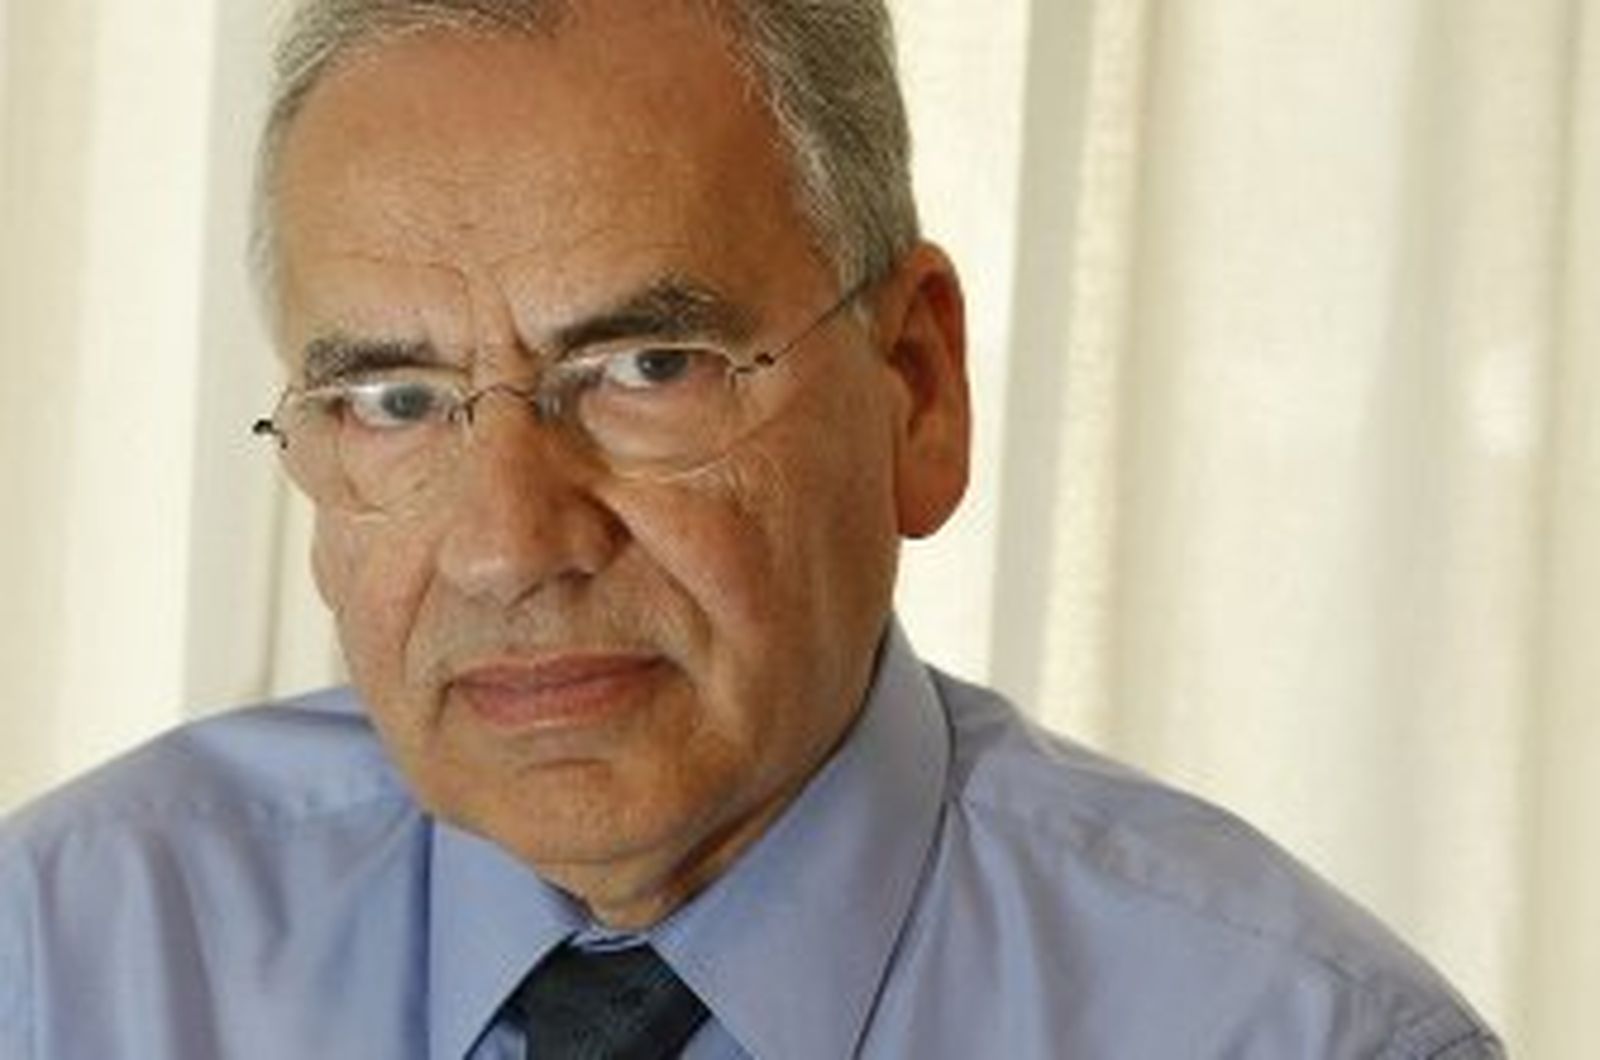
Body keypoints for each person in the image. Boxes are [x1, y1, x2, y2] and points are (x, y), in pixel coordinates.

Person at [0, 1, 1503, 1056]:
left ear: (916, 389)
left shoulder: (1300, 1036)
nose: (510, 546)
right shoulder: (58, 965)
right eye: (393, 400)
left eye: (647, 369)